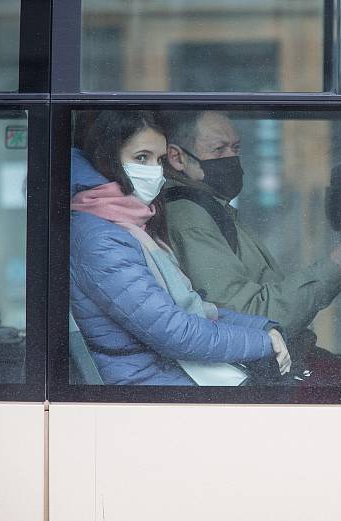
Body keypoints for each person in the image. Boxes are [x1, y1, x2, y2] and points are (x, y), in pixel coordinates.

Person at [70, 110, 291, 385]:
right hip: (144, 387)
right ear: (108, 160)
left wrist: (263, 327)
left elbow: (195, 309)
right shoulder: (102, 239)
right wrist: (262, 342)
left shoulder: (135, 224)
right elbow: (174, 332)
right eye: (141, 158)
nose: (154, 170)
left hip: (166, 373)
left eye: (159, 160)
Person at [160, 111, 341, 375]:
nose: (231, 159)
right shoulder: (190, 217)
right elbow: (251, 317)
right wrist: (337, 264)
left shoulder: (214, 208)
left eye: (236, 148)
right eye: (218, 150)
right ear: (177, 157)